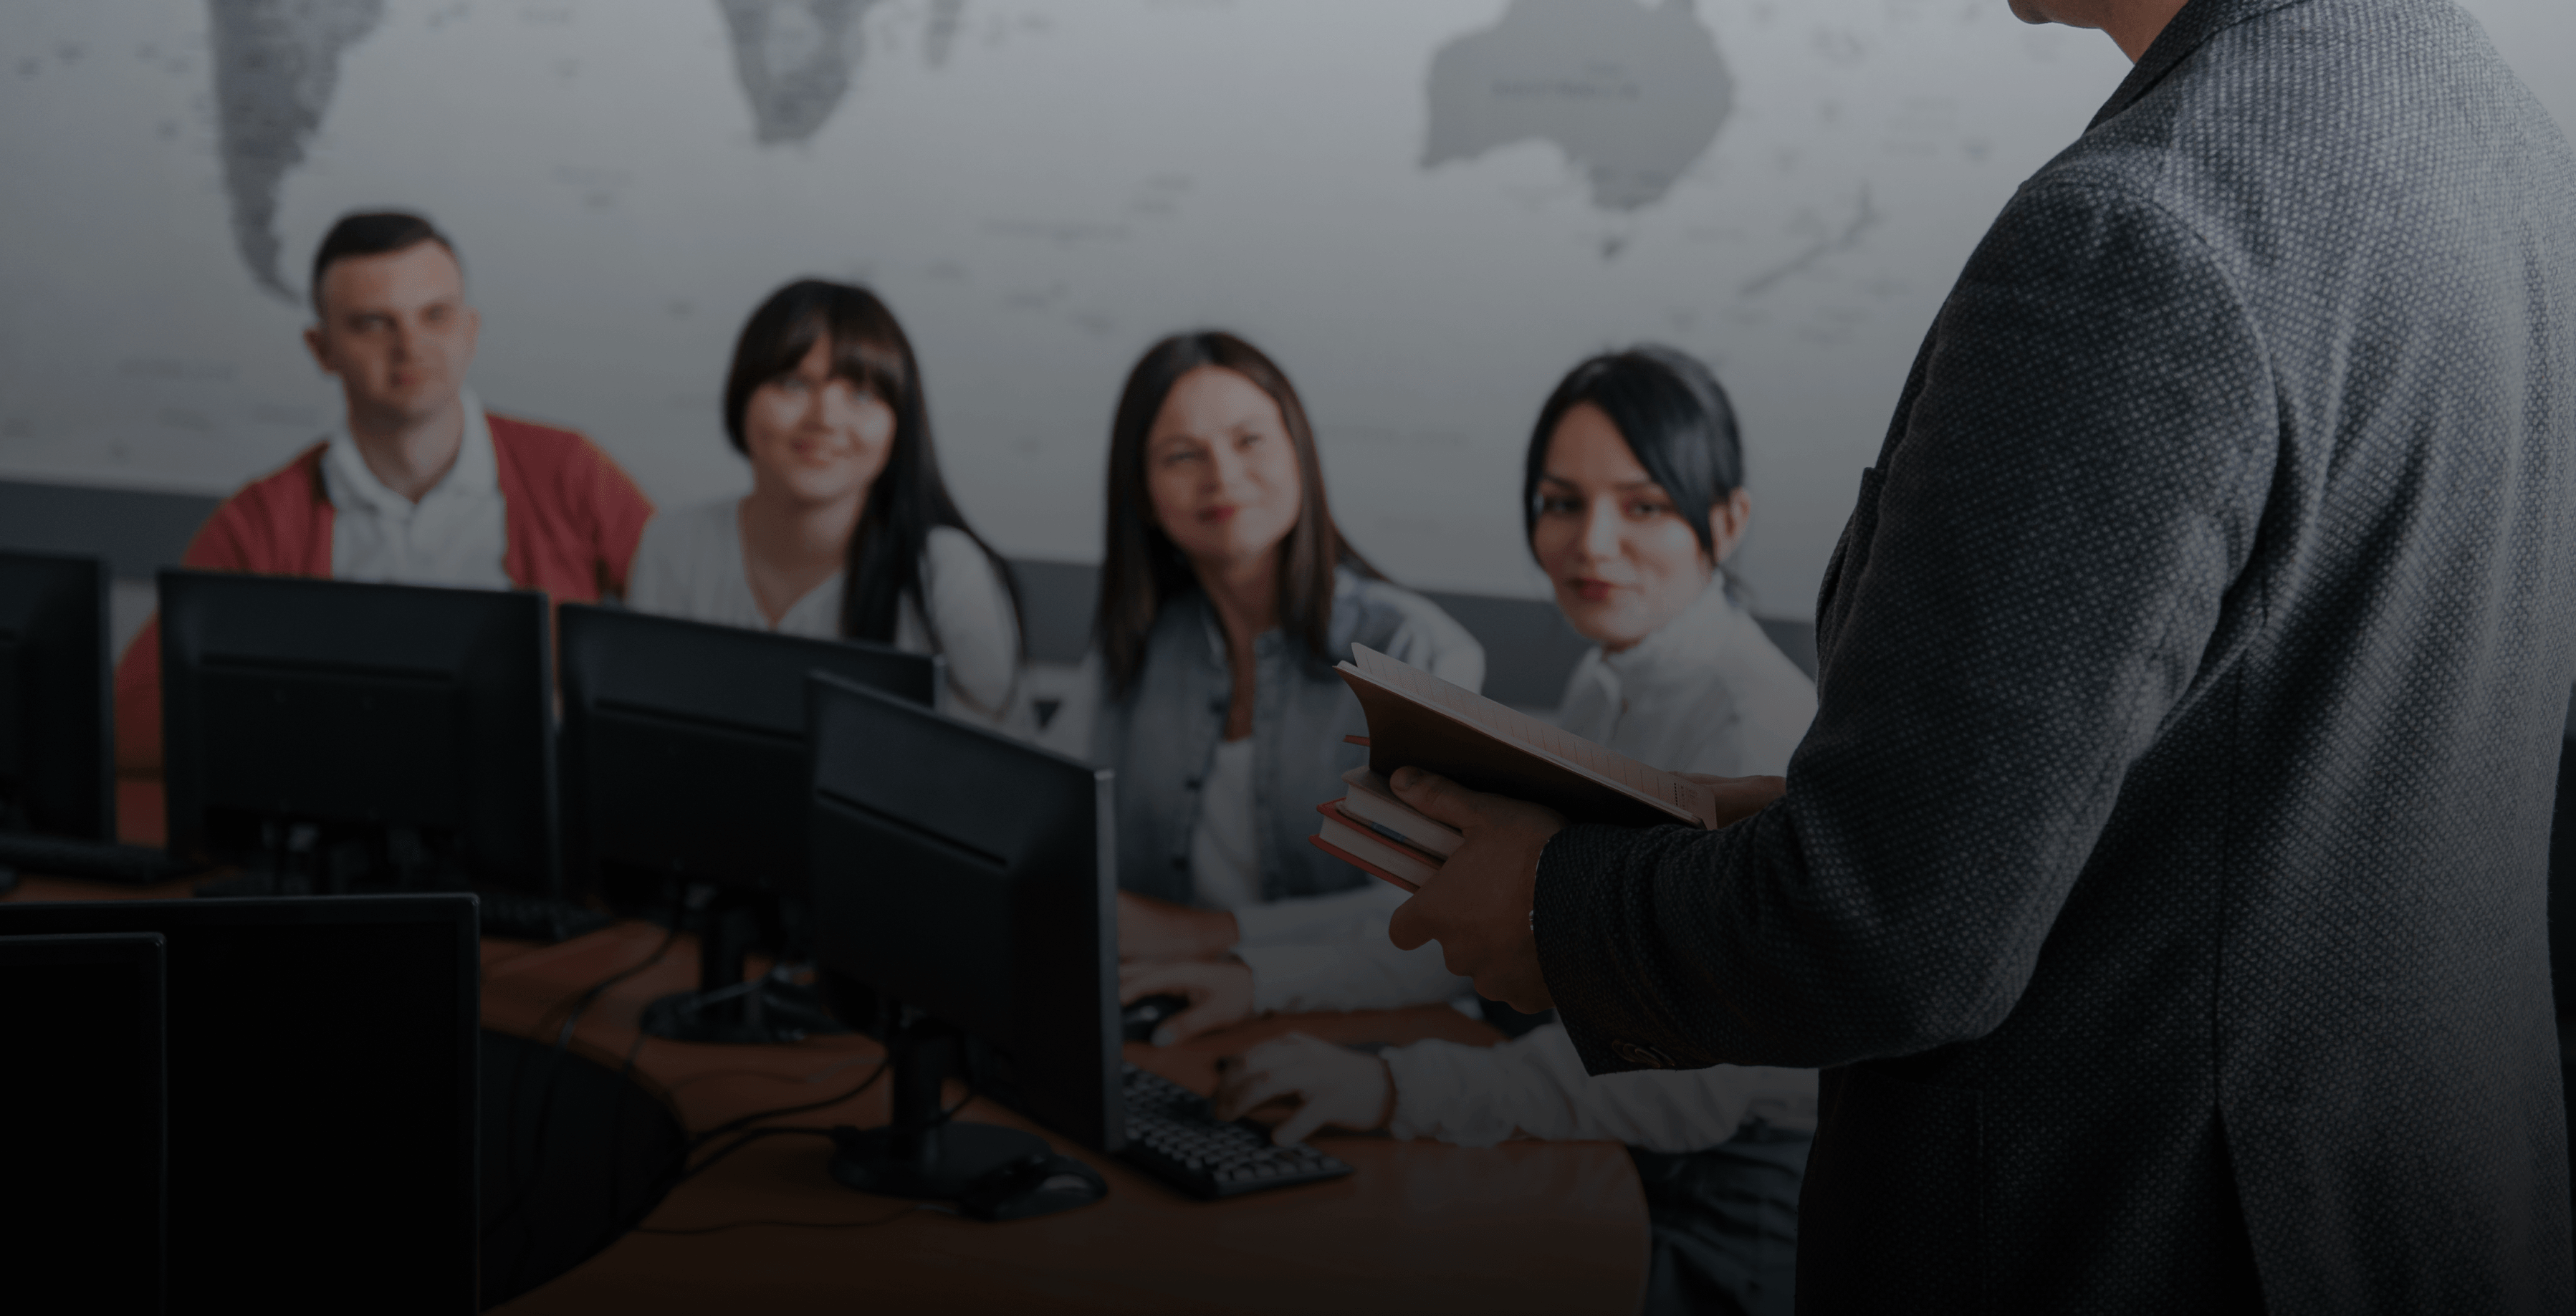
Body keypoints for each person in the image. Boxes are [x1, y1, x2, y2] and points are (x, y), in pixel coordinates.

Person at [1387, 0, 2576, 1310]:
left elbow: (1898, 941)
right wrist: (1781, 821)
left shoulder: (2137, 241)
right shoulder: (2500, 141)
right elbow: (2253, 767)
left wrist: (1547, 914)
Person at [1176, 347, 1821, 1316]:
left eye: (1643, 505)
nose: (1590, 544)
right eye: (1561, 503)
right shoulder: (1611, 677)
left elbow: (1685, 1078)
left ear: (1725, 521)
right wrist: (1263, 984)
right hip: (1609, 1140)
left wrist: (1395, 1091)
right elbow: (1481, 908)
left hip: (1716, 1207)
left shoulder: (1750, 725)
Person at [112, 211, 655, 772]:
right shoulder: (262, 520)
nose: (410, 347)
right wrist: (326, 724)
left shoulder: (569, 471)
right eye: (373, 323)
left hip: (537, 832)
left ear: (471, 331)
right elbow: (132, 716)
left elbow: (691, 660)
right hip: (342, 833)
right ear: (322, 349)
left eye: (436, 316)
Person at [1082, 330, 1483, 967]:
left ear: (1300, 454)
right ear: (1145, 497)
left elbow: (1421, 913)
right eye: (1182, 455)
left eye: (1249, 441)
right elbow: (1044, 827)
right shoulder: (1132, 646)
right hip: (1162, 1007)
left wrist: (1204, 935)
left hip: (1350, 1029)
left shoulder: (1415, 649)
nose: (1222, 477)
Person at [626, 279, 1026, 729]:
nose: (825, 419)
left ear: (900, 425)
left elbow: (998, 780)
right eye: (793, 384)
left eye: (861, 394)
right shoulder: (672, 545)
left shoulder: (948, 573)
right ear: (742, 398)